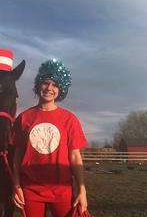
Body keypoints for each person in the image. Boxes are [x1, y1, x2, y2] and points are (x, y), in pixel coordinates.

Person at [12, 59, 88, 217]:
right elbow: (17, 156)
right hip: (30, 191)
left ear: (61, 89)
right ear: (39, 85)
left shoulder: (69, 119)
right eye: (46, 83)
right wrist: (16, 185)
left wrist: (82, 189)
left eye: (55, 85)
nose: (49, 88)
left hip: (62, 190)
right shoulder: (24, 118)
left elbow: (75, 157)